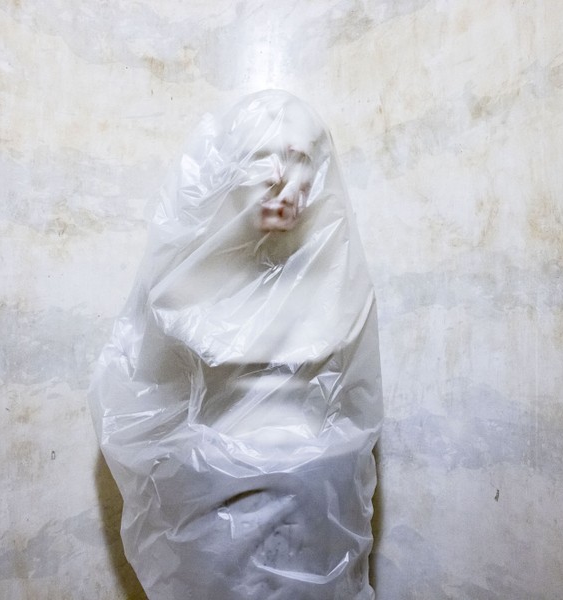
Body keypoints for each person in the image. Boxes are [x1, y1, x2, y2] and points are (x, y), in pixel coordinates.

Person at [90, 90, 382, 600]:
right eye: (260, 157)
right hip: (213, 515)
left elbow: (352, 406)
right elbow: (144, 406)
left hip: (317, 505)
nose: (281, 177)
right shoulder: (180, 287)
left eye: (299, 159)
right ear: (224, 172)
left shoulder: (338, 287)